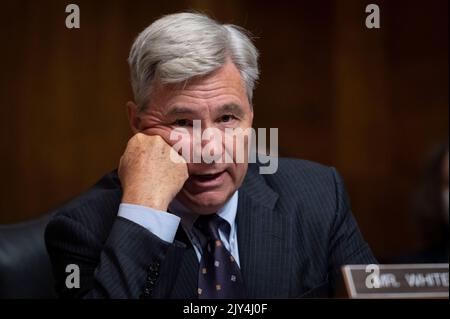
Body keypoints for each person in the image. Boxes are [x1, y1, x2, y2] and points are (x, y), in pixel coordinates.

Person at [45, 12, 376, 299]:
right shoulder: (83, 229)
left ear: (250, 114)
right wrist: (144, 212)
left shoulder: (318, 195)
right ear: (137, 123)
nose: (210, 148)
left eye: (227, 118)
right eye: (182, 122)